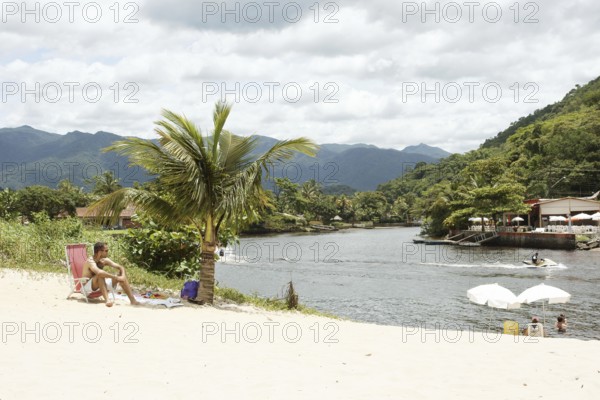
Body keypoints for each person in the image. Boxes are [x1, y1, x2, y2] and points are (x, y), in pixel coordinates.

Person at [82, 242, 140, 307]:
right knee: (100, 275)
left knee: (120, 274)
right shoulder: (90, 261)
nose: (108, 252)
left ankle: (132, 300)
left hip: (100, 285)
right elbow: (99, 273)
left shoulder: (104, 260)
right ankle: (107, 300)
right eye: (106, 251)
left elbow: (120, 267)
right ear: (100, 252)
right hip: (87, 288)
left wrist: (123, 276)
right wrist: (115, 277)